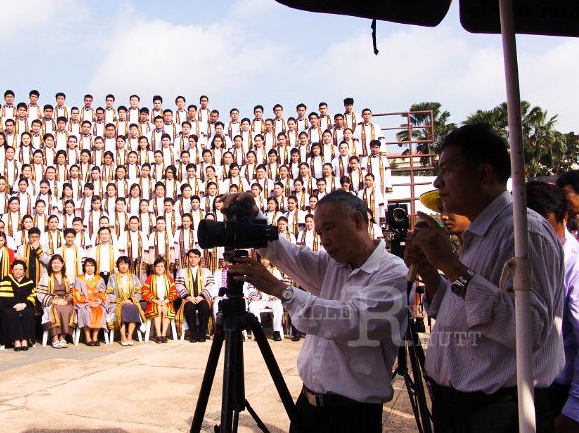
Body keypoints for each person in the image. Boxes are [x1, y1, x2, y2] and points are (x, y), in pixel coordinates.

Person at [405, 124, 563, 432]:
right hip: (460, 410)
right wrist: (430, 271)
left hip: (501, 414)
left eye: (447, 170)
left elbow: (529, 330)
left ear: (483, 174)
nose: (438, 182)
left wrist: (451, 266)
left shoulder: (523, 232)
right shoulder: (479, 235)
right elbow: (455, 310)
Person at [227, 190, 408, 432]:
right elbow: (286, 254)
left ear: (357, 221)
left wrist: (281, 290)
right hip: (307, 407)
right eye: (319, 233)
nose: (324, 240)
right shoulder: (334, 264)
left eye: (329, 229)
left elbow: (354, 322)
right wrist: (255, 215)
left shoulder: (392, 271)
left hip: (352, 417)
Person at [525, 181, 579, 433]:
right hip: (530, 387)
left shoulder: (574, 266)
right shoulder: (522, 256)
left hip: (561, 392)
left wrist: (573, 411)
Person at [175, 248, 215, 342]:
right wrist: (188, 297)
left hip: (202, 298)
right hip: (188, 299)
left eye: (195, 257)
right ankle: (193, 334)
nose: (193, 259)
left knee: (205, 307)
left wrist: (201, 296)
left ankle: (202, 334)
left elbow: (211, 284)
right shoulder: (182, 271)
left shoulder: (206, 271)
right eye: (191, 257)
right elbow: (179, 285)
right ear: (188, 258)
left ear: (199, 259)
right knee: (189, 308)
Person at [37, 254, 77, 348]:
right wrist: (55, 301)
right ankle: (54, 337)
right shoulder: (46, 277)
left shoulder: (68, 277)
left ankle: (63, 337)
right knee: (56, 310)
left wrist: (66, 300)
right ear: (50, 264)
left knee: (69, 309)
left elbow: (72, 292)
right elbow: (40, 293)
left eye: (58, 263)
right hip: (51, 302)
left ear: (62, 264)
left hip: (65, 301)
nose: (56, 265)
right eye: (54, 263)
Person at [0, 259, 36, 351]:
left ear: (24, 271)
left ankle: (25, 339)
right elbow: (3, 296)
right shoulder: (6, 279)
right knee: (12, 314)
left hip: (25, 305)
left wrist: (24, 304)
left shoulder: (29, 281)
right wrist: (14, 305)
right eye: (16, 269)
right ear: (12, 270)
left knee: (27, 313)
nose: (18, 271)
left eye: (20, 269)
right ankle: (16, 340)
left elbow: (33, 295)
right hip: (9, 306)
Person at [105, 255, 144, 346]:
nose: (123, 266)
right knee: (122, 310)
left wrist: (130, 300)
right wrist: (121, 301)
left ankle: (129, 335)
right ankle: (123, 335)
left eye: (125, 264)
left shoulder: (134, 277)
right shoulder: (112, 278)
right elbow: (109, 293)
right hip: (117, 303)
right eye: (121, 264)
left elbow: (138, 292)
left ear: (129, 265)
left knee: (134, 309)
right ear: (118, 266)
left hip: (131, 302)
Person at [246, 256, 286, 341]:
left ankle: (276, 331)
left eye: (266, 259)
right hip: (260, 298)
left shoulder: (275, 271)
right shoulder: (255, 271)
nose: (264, 261)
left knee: (278, 305)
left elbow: (280, 285)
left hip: (272, 298)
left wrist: (277, 295)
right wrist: (253, 296)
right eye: (262, 259)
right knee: (253, 306)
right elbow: (250, 286)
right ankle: (258, 331)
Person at [73, 257, 108, 347]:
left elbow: (102, 292)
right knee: (86, 312)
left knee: (101, 311)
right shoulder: (79, 279)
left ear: (95, 267)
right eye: (87, 266)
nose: (89, 268)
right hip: (84, 303)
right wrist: (88, 303)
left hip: (97, 302)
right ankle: (87, 337)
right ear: (84, 267)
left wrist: (99, 301)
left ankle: (95, 337)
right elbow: (77, 294)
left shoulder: (99, 279)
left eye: (92, 266)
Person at [141, 257, 177, 343]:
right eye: (158, 266)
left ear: (164, 268)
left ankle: (163, 334)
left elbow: (174, 293)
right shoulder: (150, 278)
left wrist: (166, 300)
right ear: (154, 268)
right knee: (158, 309)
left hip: (166, 302)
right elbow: (145, 292)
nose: (160, 268)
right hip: (153, 303)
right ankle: (158, 334)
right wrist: (155, 300)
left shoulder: (169, 279)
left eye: (162, 266)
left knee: (166, 309)